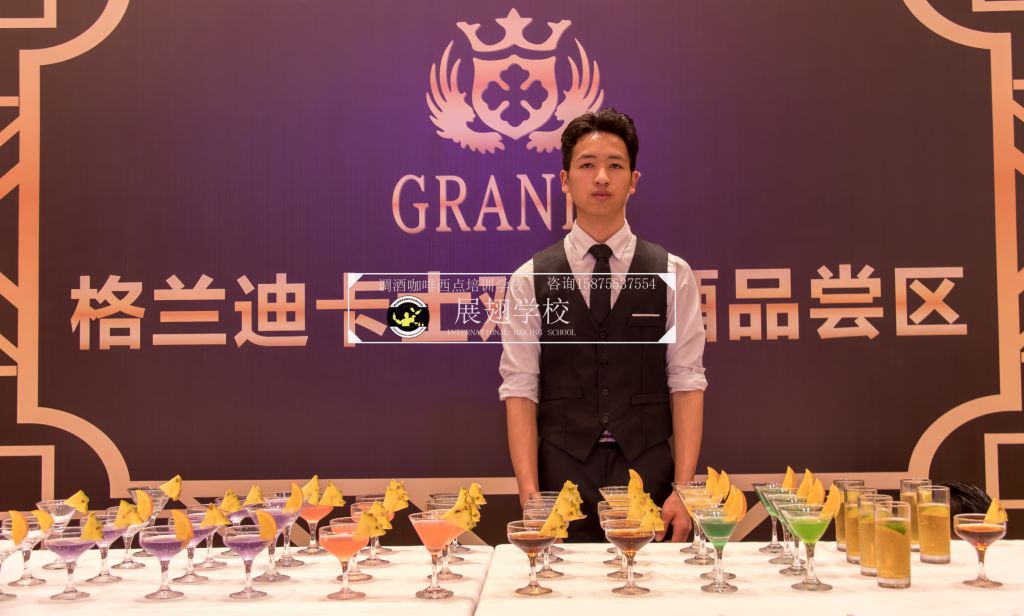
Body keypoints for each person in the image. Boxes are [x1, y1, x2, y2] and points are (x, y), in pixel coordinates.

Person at [499, 108, 707, 542]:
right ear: (564, 180)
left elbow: (686, 380)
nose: (600, 178)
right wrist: (530, 496)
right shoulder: (528, 280)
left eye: (615, 165)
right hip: (562, 476)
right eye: (587, 165)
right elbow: (520, 388)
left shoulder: (673, 273)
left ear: (633, 181)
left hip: (648, 473)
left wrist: (684, 489)